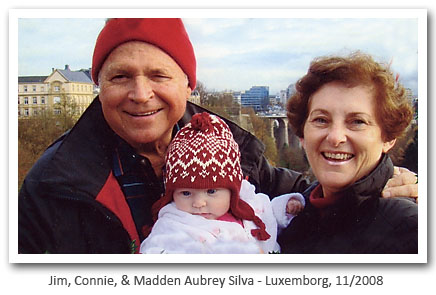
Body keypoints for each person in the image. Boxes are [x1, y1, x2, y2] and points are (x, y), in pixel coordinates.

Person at [18, 18, 418, 254]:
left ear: (188, 84)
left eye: (159, 76)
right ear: (98, 83)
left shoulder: (231, 145)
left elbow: (296, 191)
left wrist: (379, 181)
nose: (141, 94)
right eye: (120, 76)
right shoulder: (53, 185)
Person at [278, 52, 418, 254]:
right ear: (302, 134)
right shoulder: (299, 210)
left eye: (357, 122)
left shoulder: (409, 229)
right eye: (321, 120)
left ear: (388, 138)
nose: (335, 137)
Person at [139, 112, 304, 254]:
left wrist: (286, 207)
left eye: (211, 192)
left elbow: (268, 213)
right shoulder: (174, 225)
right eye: (186, 193)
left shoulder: (248, 205)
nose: (198, 203)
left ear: (232, 191)